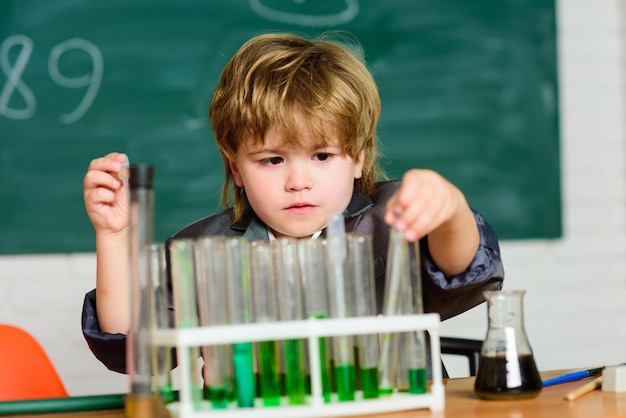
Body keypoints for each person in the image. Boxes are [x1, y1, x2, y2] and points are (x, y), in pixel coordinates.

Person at [82, 32, 504, 374]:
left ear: (358, 157)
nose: (298, 182)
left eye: (322, 156)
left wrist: (451, 209)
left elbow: (464, 269)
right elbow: (132, 349)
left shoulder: (391, 218)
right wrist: (114, 235)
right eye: (272, 160)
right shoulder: (204, 249)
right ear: (236, 169)